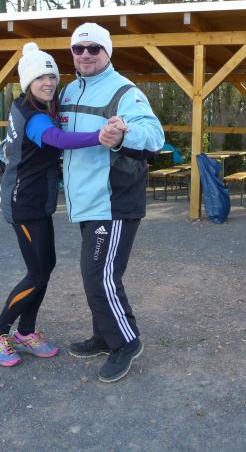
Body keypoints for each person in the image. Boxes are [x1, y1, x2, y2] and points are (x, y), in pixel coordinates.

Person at [0, 43, 106, 367]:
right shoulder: (33, 116)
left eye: (52, 76)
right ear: (28, 82)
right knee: (36, 272)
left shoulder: (31, 105)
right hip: (24, 204)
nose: (48, 83)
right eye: (40, 78)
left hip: (38, 202)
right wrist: (100, 135)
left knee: (44, 268)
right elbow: (59, 140)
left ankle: (26, 331)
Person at [59, 22, 165, 383]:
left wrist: (122, 134)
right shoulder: (70, 90)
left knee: (99, 275)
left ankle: (126, 342)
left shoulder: (125, 92)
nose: (85, 54)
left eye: (94, 48)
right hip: (85, 200)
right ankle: (104, 336)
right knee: (96, 276)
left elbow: (154, 136)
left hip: (113, 201)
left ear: (107, 52)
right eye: (78, 49)